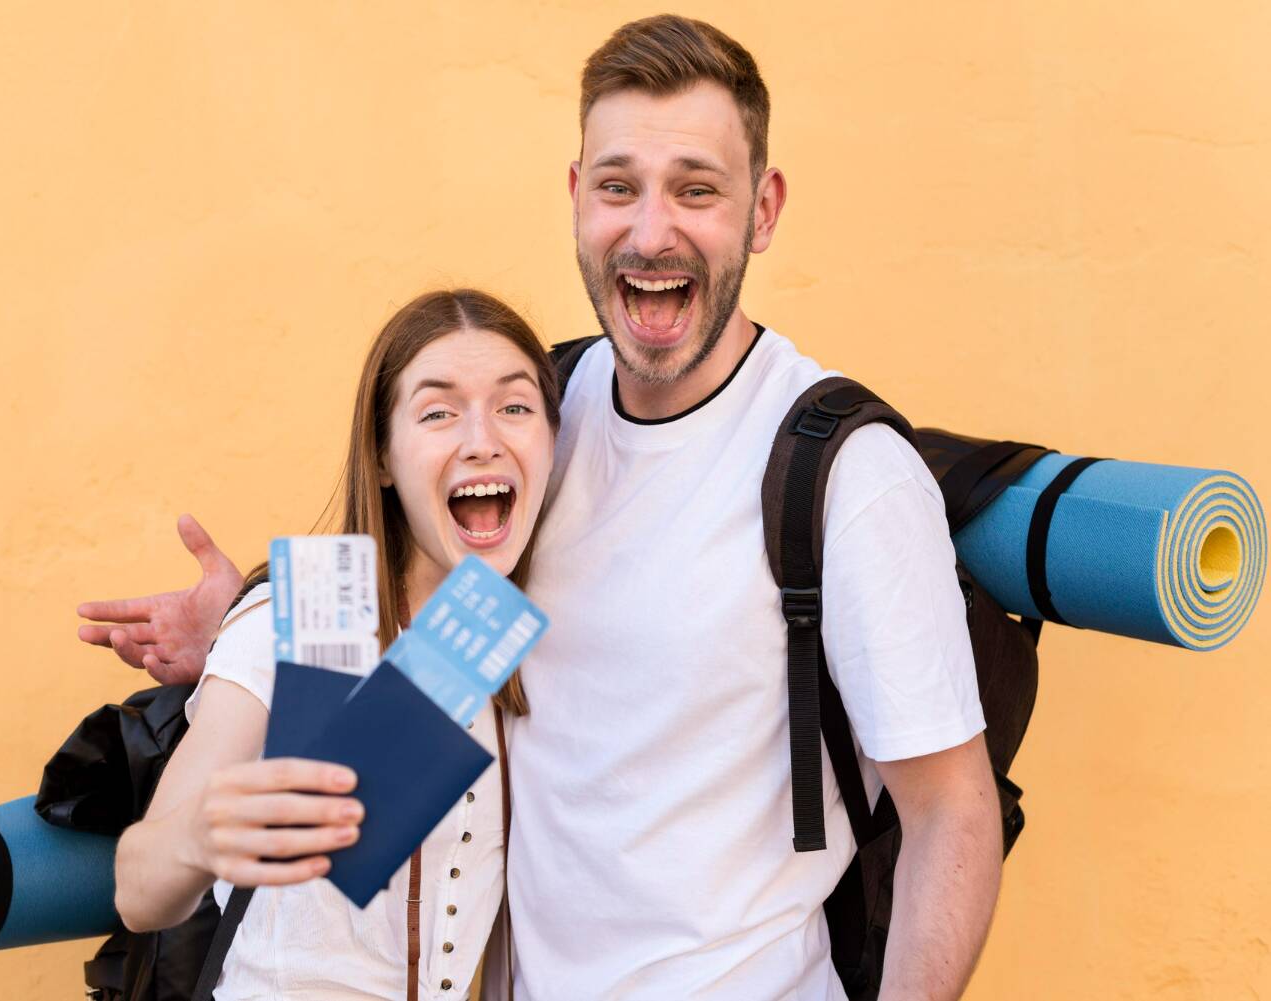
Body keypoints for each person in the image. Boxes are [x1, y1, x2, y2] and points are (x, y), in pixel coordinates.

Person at [83, 16, 1002, 1000]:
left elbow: (952, 812)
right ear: (576, 199)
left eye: (697, 187)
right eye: (619, 186)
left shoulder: (846, 476)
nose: (652, 230)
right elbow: (375, 763)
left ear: (763, 208)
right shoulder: (539, 421)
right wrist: (264, 633)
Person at [108, 288, 560, 1000]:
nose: (483, 438)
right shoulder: (306, 618)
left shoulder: (523, 635)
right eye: (438, 411)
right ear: (382, 456)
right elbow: (138, 886)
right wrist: (199, 835)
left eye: (514, 406)